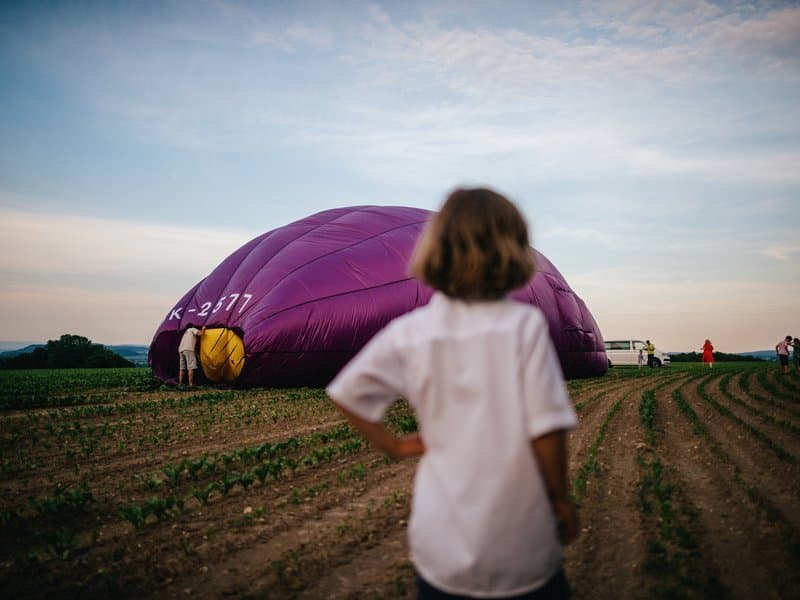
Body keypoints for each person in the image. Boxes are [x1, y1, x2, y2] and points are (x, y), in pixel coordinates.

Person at [327, 188, 578, 599]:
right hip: (520, 538)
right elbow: (547, 427)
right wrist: (561, 499)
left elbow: (347, 393)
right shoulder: (522, 326)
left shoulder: (412, 330)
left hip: (440, 542)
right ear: (512, 249)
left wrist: (392, 444)